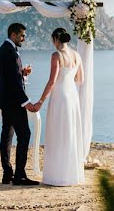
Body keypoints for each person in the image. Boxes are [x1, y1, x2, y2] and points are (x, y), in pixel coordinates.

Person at [32, 27, 85, 186]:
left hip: (60, 97)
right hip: (72, 96)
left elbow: (52, 81)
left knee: (57, 133)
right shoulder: (76, 55)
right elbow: (80, 79)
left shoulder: (56, 55)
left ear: (55, 39)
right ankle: (71, 174)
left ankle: (57, 175)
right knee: (70, 132)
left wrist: (40, 101)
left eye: (52, 39)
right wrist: (69, 75)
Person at [0, 23, 39, 186]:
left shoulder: (3, 49)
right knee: (24, 135)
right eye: (22, 35)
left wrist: (23, 74)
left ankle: (7, 174)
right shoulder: (12, 53)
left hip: (5, 101)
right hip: (14, 103)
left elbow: (10, 76)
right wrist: (27, 103)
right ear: (13, 35)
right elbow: (14, 84)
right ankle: (19, 175)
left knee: (6, 136)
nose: (24, 38)